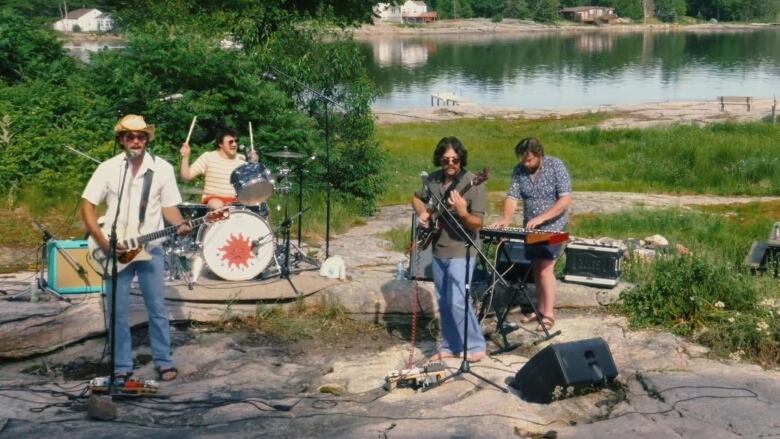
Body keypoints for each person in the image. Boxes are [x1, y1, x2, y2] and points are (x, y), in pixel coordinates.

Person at [81, 114, 191, 382]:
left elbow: (169, 207)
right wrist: (105, 243)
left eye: (141, 136)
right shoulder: (108, 168)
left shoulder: (162, 168)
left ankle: (164, 361)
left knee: (157, 307)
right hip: (114, 248)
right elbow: (87, 207)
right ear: (121, 140)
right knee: (118, 311)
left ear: (147, 139)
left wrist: (180, 224)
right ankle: (121, 366)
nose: (136, 140)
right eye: (130, 136)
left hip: (149, 247)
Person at [412, 136, 487, 362]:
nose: (451, 164)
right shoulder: (433, 180)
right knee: (444, 300)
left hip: (462, 249)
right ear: (440, 160)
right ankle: (449, 346)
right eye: (446, 160)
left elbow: (478, 224)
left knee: (457, 299)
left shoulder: (474, 182)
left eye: (455, 160)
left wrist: (463, 212)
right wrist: (423, 212)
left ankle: (475, 346)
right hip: (438, 248)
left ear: (461, 159)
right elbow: (416, 198)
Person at [491, 137, 571, 332]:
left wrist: (543, 218)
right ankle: (541, 309)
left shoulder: (555, 166)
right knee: (536, 267)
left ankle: (549, 314)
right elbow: (512, 197)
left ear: (539, 155)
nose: (526, 164)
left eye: (530, 160)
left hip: (555, 228)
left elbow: (565, 199)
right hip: (531, 227)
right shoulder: (519, 170)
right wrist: (506, 219)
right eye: (523, 160)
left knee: (545, 268)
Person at [179, 127, 261, 210]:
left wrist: (254, 164)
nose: (234, 144)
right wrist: (185, 157)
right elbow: (186, 176)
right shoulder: (208, 157)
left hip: (237, 201)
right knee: (217, 205)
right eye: (230, 142)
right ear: (220, 144)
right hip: (213, 199)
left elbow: (253, 184)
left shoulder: (242, 159)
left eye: (236, 141)